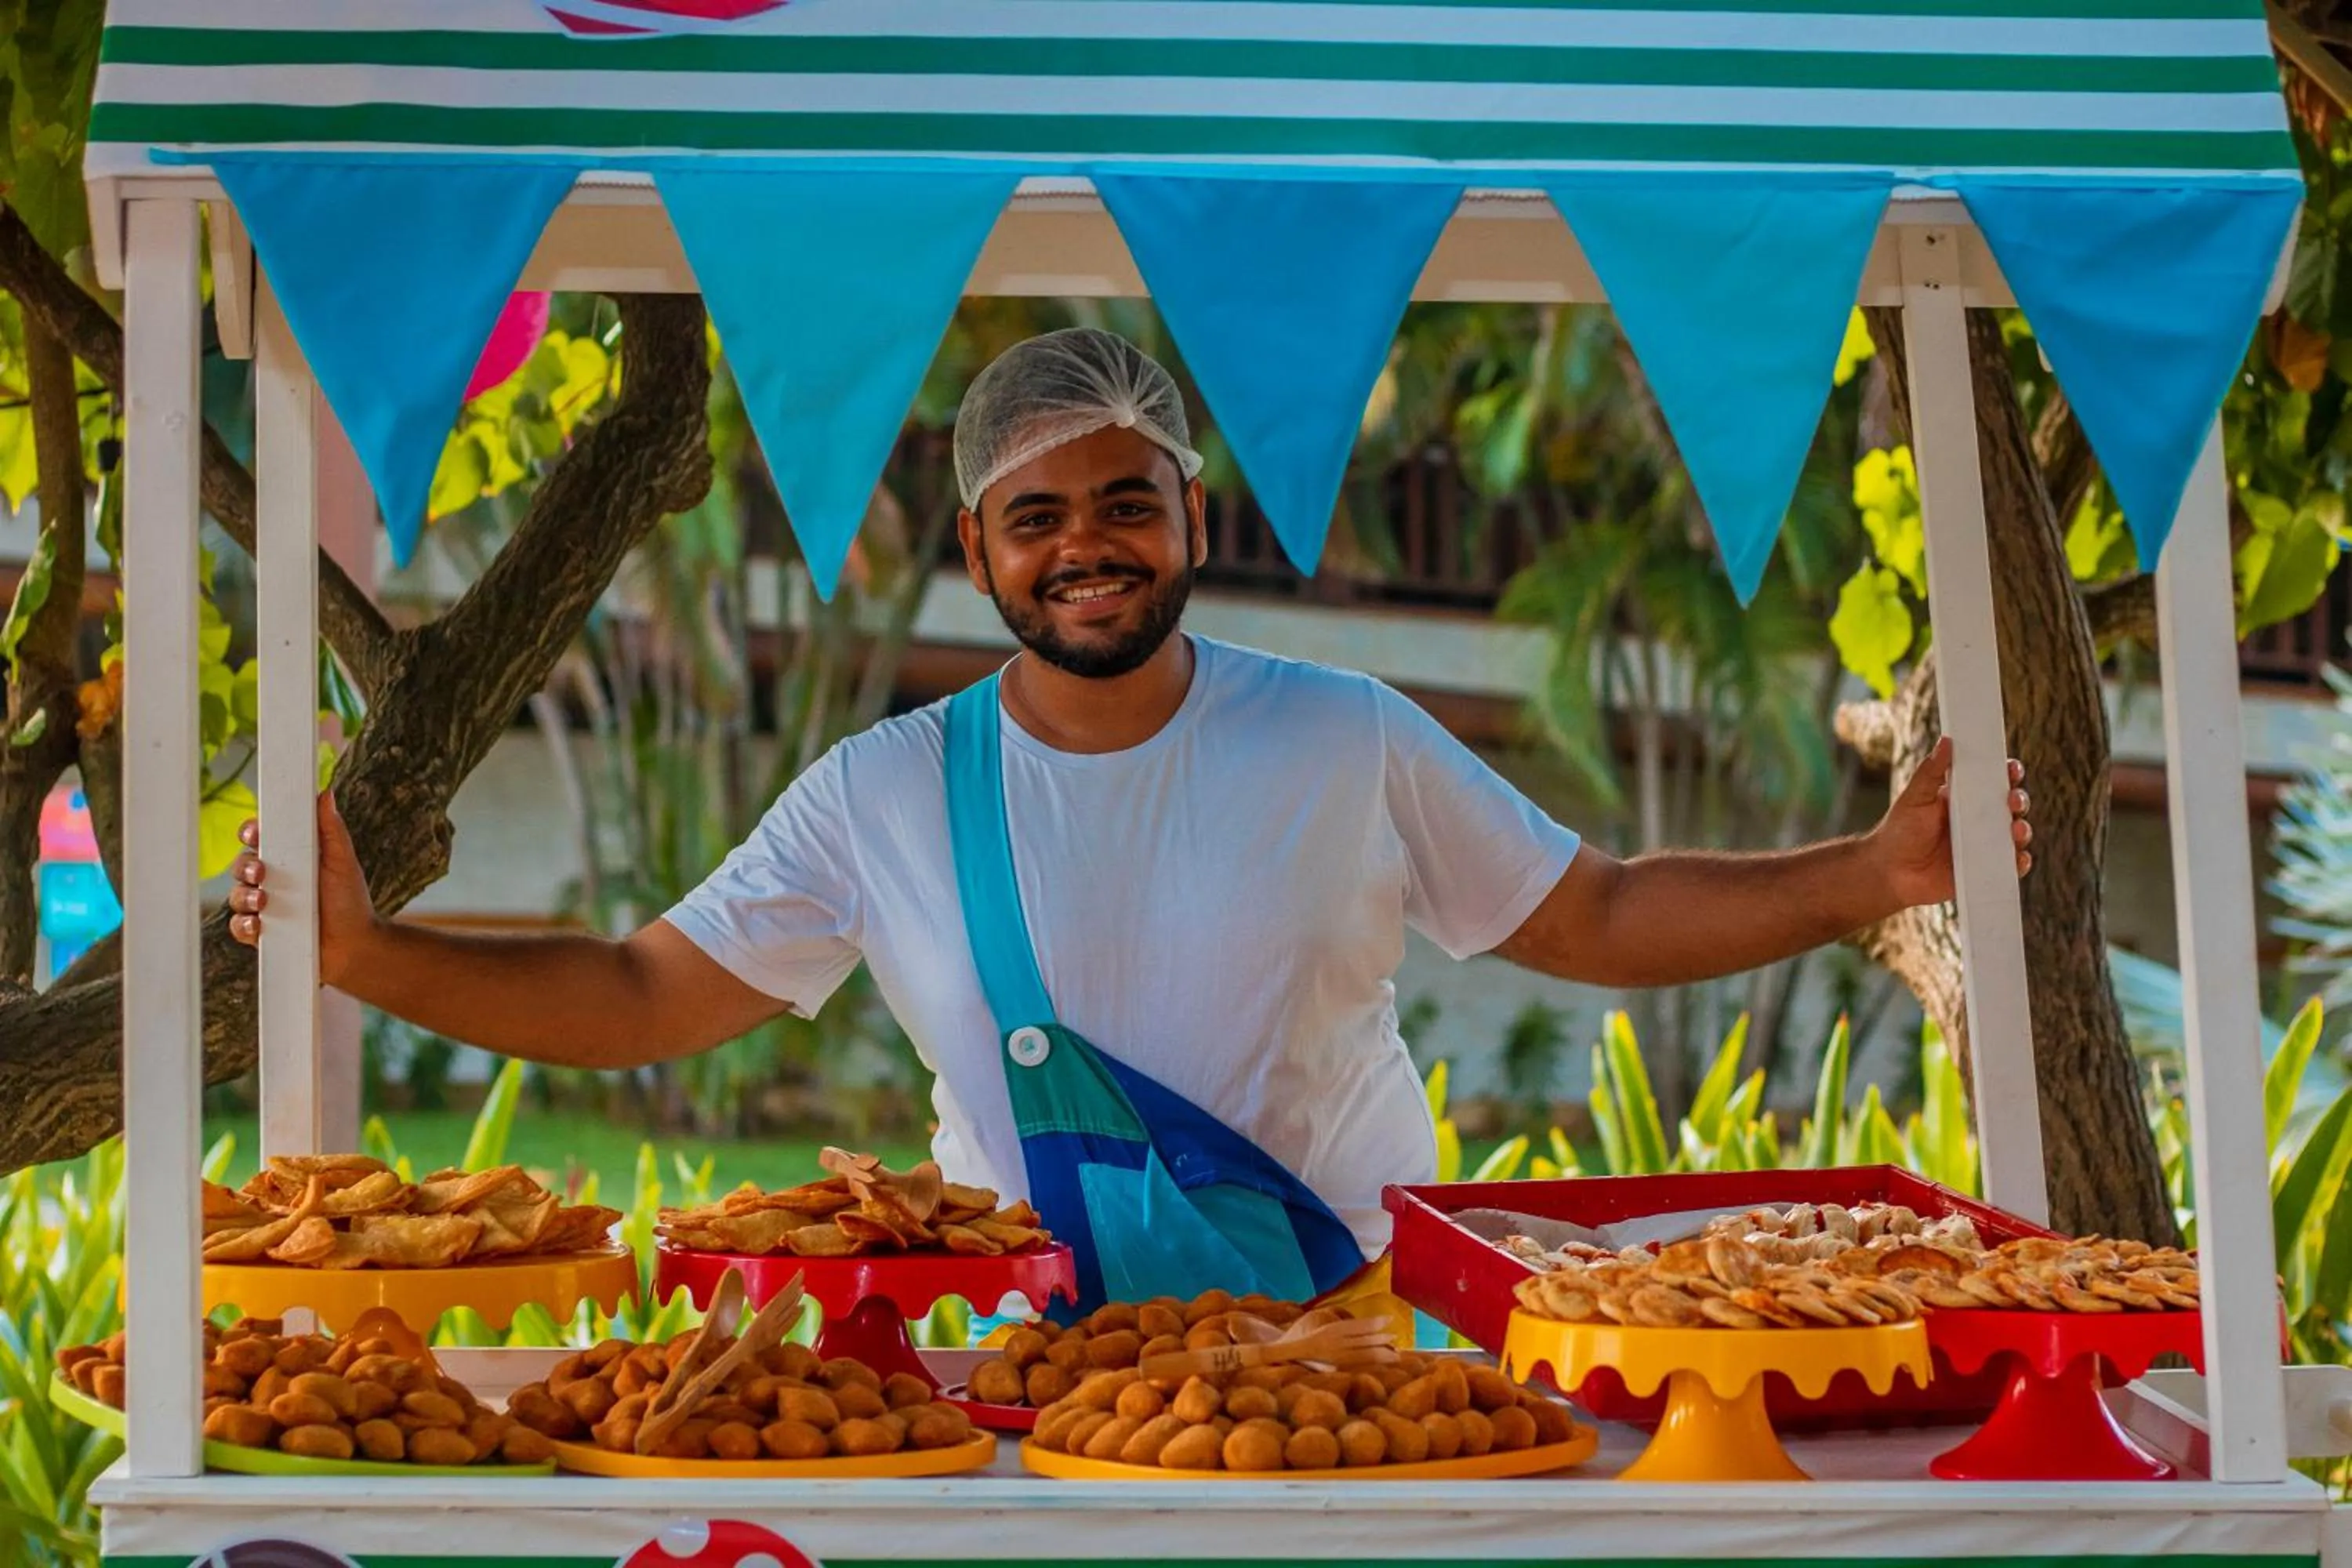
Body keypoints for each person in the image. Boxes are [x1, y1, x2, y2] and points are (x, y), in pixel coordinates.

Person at [230, 328, 2029, 1308]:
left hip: (1356, 1350)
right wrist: (370, 954)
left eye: (1124, 500)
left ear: (1188, 509)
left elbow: (1604, 913)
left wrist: (1871, 871)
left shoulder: (1344, 734)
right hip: (1021, 1375)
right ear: (978, 551)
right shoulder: (884, 792)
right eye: (1037, 515)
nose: (1084, 543)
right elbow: (638, 996)